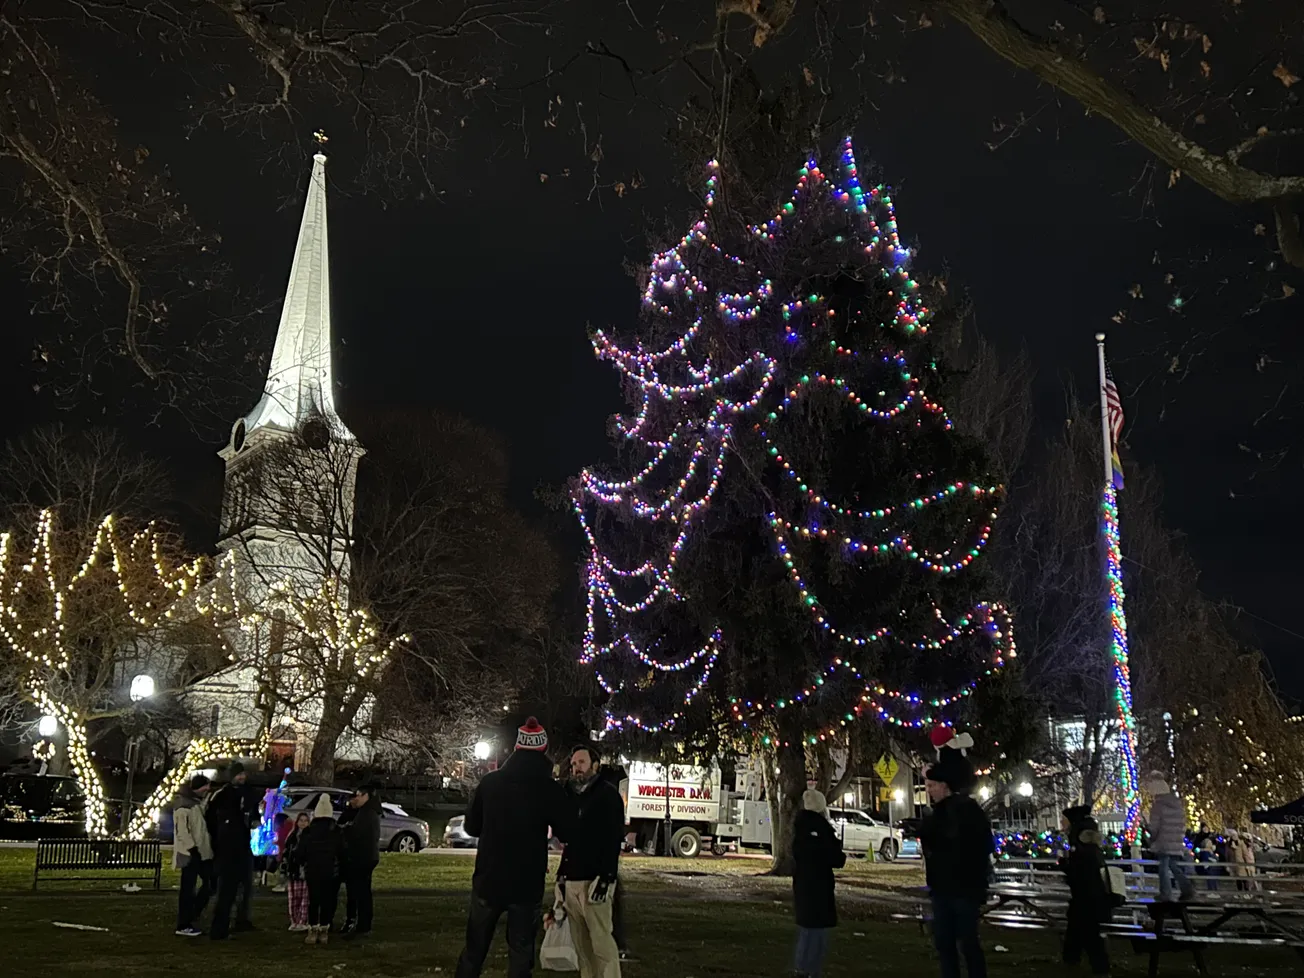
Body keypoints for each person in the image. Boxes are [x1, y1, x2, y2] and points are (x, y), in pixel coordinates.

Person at [455, 717, 573, 978]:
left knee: (474, 950)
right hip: (526, 883)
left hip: (489, 878)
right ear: (543, 749)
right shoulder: (549, 789)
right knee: (520, 954)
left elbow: (472, 827)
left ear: (517, 748)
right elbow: (567, 831)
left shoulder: (490, 783)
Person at [918, 746, 993, 978]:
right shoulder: (938, 814)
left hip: (963, 888)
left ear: (945, 785)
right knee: (945, 943)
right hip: (943, 888)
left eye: (932, 786)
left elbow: (981, 846)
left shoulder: (967, 811)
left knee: (967, 942)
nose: (928, 791)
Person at [558, 744, 625, 978]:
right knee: (582, 950)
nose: (576, 768)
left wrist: (607, 877)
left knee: (602, 946)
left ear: (595, 765)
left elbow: (613, 839)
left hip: (594, 881)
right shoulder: (573, 797)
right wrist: (562, 875)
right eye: (574, 764)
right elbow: (570, 840)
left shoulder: (607, 796)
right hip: (573, 881)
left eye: (581, 763)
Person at [790, 789, 847, 978]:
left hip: (804, 883)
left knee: (808, 928)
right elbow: (835, 858)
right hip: (819, 884)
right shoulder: (822, 829)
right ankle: (810, 969)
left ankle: (802, 968)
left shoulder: (799, 827)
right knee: (817, 931)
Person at [1059, 805, 1115, 976]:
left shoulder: (1080, 847)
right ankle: (1072, 958)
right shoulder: (1090, 846)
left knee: (1089, 934)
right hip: (1090, 896)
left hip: (1087, 897)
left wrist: (1065, 865)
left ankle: (1100, 968)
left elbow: (1079, 872)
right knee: (1077, 926)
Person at [206, 762, 259, 940]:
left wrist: (254, 821)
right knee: (227, 890)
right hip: (227, 849)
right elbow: (211, 820)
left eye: (243, 774)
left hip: (244, 847)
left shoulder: (248, 792)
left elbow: (253, 814)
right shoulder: (222, 796)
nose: (242, 778)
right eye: (238, 775)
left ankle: (242, 920)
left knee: (246, 888)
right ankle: (219, 927)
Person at [594, 759, 633, 962]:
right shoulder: (610, 796)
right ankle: (617, 944)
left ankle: (614, 947)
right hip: (605, 866)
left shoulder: (603, 797)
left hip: (601, 867)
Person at [298, 793, 345, 945]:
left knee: (314, 900)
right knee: (327, 900)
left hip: (313, 869)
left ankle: (312, 929)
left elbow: (301, 851)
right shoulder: (336, 830)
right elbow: (342, 851)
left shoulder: (309, 831)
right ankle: (324, 929)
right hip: (330, 870)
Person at [339, 784, 382, 937]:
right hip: (367, 856)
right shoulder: (368, 812)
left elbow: (356, 833)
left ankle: (363, 925)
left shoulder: (367, 813)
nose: (356, 798)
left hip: (362, 857)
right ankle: (362, 923)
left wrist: (346, 829)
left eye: (358, 795)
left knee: (361, 892)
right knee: (363, 891)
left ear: (366, 796)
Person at [174, 774, 214, 937]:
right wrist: (192, 849)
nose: (207, 790)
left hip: (198, 851)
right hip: (191, 853)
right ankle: (184, 922)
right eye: (205, 787)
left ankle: (190, 916)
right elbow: (182, 831)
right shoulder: (185, 806)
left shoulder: (193, 804)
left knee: (207, 884)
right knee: (189, 888)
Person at [1143, 772, 1193, 903]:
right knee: (1173, 866)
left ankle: (1166, 894)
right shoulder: (1177, 805)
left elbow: (1154, 827)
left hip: (1163, 841)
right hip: (1176, 841)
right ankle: (1187, 889)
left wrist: (1149, 834)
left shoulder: (1157, 805)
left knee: (1163, 868)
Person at [283, 811, 312, 931]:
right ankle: (294, 920)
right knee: (293, 898)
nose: (303, 823)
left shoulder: (310, 836)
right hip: (293, 870)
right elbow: (286, 852)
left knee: (304, 898)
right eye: (301, 820)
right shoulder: (292, 836)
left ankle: (302, 920)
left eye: (306, 821)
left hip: (304, 870)